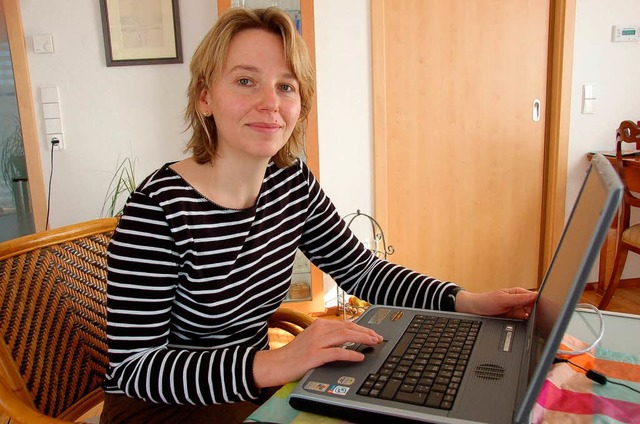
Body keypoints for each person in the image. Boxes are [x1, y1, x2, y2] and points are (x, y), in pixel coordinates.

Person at [100, 7, 537, 424]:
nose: (270, 103)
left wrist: (466, 302)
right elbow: (137, 368)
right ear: (205, 97)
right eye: (246, 81)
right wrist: (274, 362)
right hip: (164, 409)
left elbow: (363, 271)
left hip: (252, 389)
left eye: (286, 86)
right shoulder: (158, 210)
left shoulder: (291, 182)